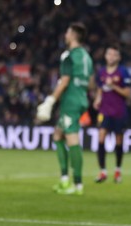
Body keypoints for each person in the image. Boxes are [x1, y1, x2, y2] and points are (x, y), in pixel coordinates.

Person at [36, 22, 94, 195]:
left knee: (72, 138)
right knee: (58, 135)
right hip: (81, 97)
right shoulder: (86, 57)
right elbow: (90, 82)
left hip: (71, 100)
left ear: (74, 35)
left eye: (68, 32)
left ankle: (76, 185)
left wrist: (50, 100)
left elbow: (65, 81)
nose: (65, 35)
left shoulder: (68, 56)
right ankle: (64, 180)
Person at [92, 44, 131, 183]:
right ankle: (103, 172)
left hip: (119, 111)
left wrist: (113, 86)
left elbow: (128, 93)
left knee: (118, 140)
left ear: (119, 57)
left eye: (114, 55)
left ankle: (117, 171)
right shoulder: (102, 72)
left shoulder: (123, 72)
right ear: (105, 56)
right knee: (101, 137)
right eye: (109, 54)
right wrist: (98, 99)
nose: (111, 57)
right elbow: (99, 88)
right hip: (104, 111)